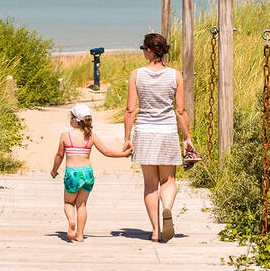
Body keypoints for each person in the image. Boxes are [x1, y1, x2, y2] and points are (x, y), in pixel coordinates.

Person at [123, 33, 195, 242]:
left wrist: (127, 137)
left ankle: (155, 231)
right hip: (167, 132)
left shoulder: (136, 75)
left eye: (143, 48)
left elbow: (130, 109)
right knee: (168, 179)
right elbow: (180, 110)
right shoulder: (175, 75)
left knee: (149, 184)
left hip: (145, 132)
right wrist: (187, 137)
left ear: (149, 51)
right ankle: (168, 208)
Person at [51, 103, 132, 242]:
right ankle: (80, 235)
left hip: (72, 174)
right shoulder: (91, 137)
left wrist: (54, 170)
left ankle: (71, 222)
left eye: (70, 117)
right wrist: (123, 154)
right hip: (88, 173)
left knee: (68, 203)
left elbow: (59, 155)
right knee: (81, 204)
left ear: (75, 120)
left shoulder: (65, 136)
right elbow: (107, 152)